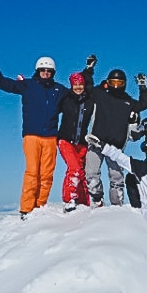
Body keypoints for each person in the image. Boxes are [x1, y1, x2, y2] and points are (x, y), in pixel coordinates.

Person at [0, 53, 94, 219]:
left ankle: (39, 207)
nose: (46, 73)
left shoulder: (59, 90)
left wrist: (88, 73)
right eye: (43, 70)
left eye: (49, 71)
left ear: (53, 72)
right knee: (32, 172)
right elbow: (2, 83)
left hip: (51, 137)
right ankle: (27, 209)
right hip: (31, 136)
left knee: (47, 175)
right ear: (38, 70)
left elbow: (77, 90)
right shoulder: (28, 85)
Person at [85, 68, 147, 206]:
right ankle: (97, 199)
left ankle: (117, 206)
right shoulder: (100, 94)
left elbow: (143, 104)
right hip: (96, 141)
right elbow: (88, 88)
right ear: (108, 82)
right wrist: (90, 71)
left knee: (116, 177)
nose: (115, 86)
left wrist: (143, 88)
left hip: (116, 145)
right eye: (112, 82)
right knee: (91, 173)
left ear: (124, 84)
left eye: (119, 83)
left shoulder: (127, 101)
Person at [56, 63, 96, 213]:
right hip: (65, 140)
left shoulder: (89, 101)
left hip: (82, 142)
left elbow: (91, 85)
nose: (78, 87)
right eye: (75, 84)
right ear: (71, 85)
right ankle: (69, 200)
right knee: (74, 169)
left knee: (82, 171)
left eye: (80, 84)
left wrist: (89, 70)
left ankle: (84, 201)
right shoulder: (65, 99)